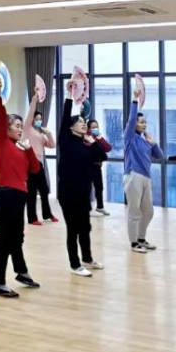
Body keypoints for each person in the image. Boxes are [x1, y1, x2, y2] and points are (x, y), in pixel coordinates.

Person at [0, 76, 42, 298]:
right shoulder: (2, 141)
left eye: (22, 126)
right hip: (5, 196)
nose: (20, 129)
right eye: (17, 125)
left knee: (17, 238)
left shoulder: (20, 148)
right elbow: (1, 116)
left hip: (19, 197)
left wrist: (28, 149)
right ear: (7, 128)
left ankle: (21, 272)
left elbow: (35, 169)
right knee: (5, 241)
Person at [57, 89, 111, 276]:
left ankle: (87, 259)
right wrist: (69, 95)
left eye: (83, 122)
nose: (83, 124)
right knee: (73, 229)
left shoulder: (85, 144)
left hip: (82, 193)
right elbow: (65, 118)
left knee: (85, 227)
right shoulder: (65, 140)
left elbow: (102, 156)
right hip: (68, 193)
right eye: (79, 122)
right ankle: (75, 265)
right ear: (71, 127)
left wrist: (93, 141)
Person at [123, 91, 164, 253]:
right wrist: (135, 99)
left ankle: (141, 238)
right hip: (133, 175)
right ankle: (134, 243)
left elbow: (160, 156)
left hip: (146, 177)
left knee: (148, 211)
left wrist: (153, 143)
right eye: (141, 122)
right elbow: (131, 119)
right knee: (134, 211)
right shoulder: (130, 137)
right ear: (135, 124)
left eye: (145, 122)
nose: (144, 124)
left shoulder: (145, 141)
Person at [24, 109, 57, 225]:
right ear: (32, 120)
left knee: (44, 190)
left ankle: (47, 214)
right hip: (30, 165)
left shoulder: (41, 134)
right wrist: (34, 100)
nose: (39, 121)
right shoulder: (28, 129)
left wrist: (48, 133)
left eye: (40, 119)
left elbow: (52, 145)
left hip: (39, 164)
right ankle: (32, 218)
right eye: (37, 119)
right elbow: (29, 114)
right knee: (32, 192)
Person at [87, 119, 110, 216]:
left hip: (97, 167)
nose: (95, 129)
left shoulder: (98, 138)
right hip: (87, 167)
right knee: (87, 188)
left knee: (99, 187)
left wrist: (101, 139)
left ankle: (100, 207)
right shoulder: (87, 137)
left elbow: (108, 148)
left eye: (97, 127)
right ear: (88, 129)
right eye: (93, 127)